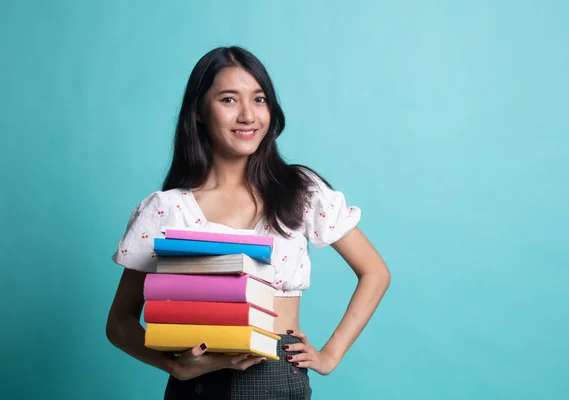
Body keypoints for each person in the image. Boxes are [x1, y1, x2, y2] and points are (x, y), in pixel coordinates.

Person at [106, 46, 391, 399]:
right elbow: (119, 323)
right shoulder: (166, 208)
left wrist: (330, 355)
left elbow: (375, 272)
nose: (247, 115)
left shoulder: (298, 190)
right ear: (198, 111)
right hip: (197, 380)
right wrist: (175, 366)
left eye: (259, 100)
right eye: (229, 100)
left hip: (274, 373)